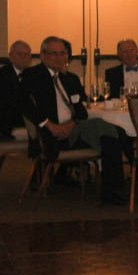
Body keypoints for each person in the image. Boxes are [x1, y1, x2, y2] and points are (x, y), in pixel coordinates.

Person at [19, 36, 127, 205]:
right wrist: (49, 125)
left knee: (110, 136)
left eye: (63, 53)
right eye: (54, 53)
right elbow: (24, 104)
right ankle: (116, 186)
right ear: (42, 55)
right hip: (50, 135)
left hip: (72, 130)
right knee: (112, 133)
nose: (59, 57)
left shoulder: (70, 79)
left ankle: (111, 191)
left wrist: (71, 124)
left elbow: (81, 111)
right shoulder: (32, 75)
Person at [0, 40, 31, 137]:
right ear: (10, 56)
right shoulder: (1, 75)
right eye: (20, 54)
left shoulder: (32, 74)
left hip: (29, 120)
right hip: (12, 123)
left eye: (27, 54)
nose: (24, 57)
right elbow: (6, 106)